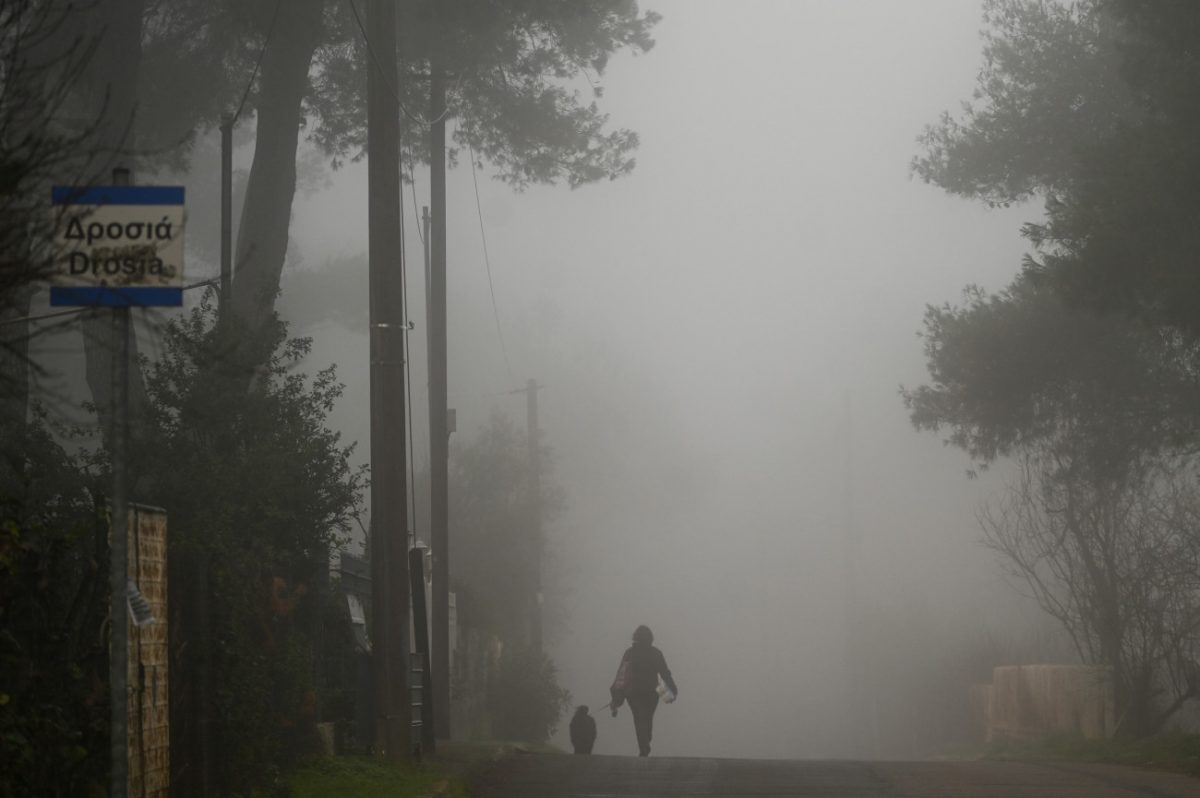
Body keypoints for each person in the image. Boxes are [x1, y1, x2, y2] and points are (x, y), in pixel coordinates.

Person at [610, 624, 677, 757]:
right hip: (652, 693)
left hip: (633, 693)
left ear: (636, 637)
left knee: (639, 718)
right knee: (647, 718)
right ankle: (644, 745)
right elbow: (665, 674)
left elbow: (622, 675)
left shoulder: (629, 653)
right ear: (651, 638)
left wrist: (617, 697)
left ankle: (644, 744)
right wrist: (673, 691)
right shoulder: (656, 653)